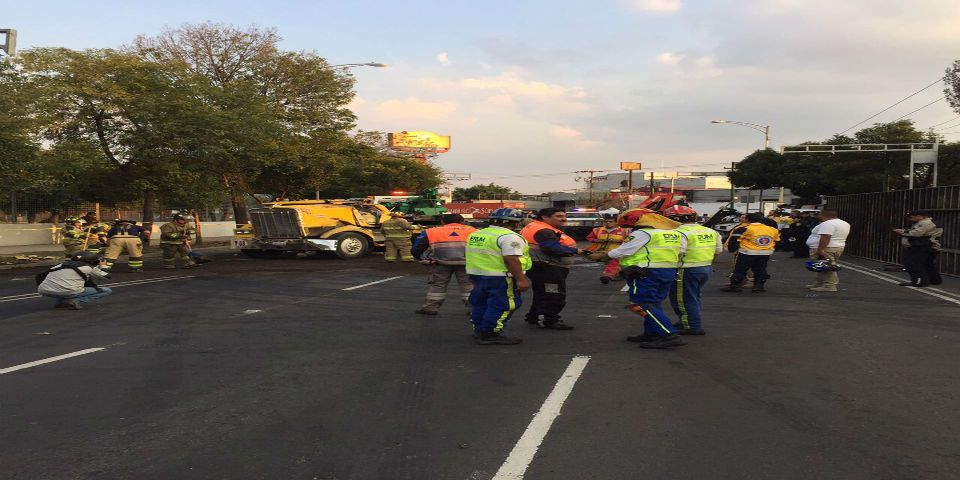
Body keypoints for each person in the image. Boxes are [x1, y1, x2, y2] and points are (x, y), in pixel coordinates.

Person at [593, 210, 686, 349]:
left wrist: (604, 255)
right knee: (654, 303)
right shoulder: (675, 234)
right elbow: (682, 251)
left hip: (645, 272)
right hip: (668, 271)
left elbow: (625, 250)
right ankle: (652, 333)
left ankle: (669, 334)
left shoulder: (642, 233)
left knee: (641, 304)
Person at [465, 212, 532, 345]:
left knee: (480, 303)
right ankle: (491, 333)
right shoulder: (509, 237)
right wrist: (521, 279)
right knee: (504, 304)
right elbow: (511, 259)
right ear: (514, 222)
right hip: (501, 277)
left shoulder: (477, 234)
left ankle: (479, 330)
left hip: (478, 275)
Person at [663, 205, 722, 335]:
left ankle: (691, 325)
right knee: (694, 296)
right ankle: (688, 320)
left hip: (685, 269)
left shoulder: (678, 233)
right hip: (705, 267)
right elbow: (717, 251)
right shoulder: (710, 231)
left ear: (675, 219)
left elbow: (679, 252)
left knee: (682, 298)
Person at [520, 208, 580, 330]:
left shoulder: (536, 226)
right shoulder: (543, 230)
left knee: (541, 292)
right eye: (558, 216)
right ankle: (549, 319)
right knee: (553, 293)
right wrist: (575, 251)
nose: (563, 218)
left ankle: (534, 316)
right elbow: (552, 249)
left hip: (541, 266)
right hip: (547, 267)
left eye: (564, 215)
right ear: (544, 217)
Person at [411, 214, 477, 315]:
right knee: (468, 285)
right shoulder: (474, 231)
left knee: (438, 285)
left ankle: (430, 308)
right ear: (463, 221)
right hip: (466, 263)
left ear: (442, 222)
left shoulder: (431, 232)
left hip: (439, 263)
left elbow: (416, 249)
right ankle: (474, 309)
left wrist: (425, 259)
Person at [722, 212, 780, 293]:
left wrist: (732, 249)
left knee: (740, 269)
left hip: (747, 252)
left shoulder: (743, 229)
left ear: (747, 219)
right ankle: (759, 286)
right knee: (761, 269)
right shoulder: (772, 229)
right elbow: (777, 240)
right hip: (765, 253)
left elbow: (734, 240)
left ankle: (735, 285)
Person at [37, 252, 113, 310]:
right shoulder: (88, 268)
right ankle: (75, 301)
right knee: (107, 290)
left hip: (43, 290)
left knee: (64, 284)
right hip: (67, 291)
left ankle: (60, 303)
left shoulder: (60, 264)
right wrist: (103, 265)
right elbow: (107, 276)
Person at [894, 210, 943, 287]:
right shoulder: (930, 222)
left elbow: (916, 233)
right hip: (930, 246)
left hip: (923, 246)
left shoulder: (925, 223)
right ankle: (934, 280)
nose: (910, 219)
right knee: (927, 264)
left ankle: (918, 281)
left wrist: (902, 232)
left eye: (912, 217)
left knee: (913, 263)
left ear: (919, 216)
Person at [805, 210, 850, 292]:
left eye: (819, 214)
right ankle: (820, 283)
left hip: (827, 248)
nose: (818, 215)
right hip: (837, 246)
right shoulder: (844, 223)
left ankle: (830, 285)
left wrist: (821, 249)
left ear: (823, 215)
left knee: (828, 267)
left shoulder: (828, 224)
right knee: (821, 266)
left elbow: (825, 237)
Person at [584, 214, 627, 284]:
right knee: (612, 264)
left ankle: (607, 276)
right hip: (600, 252)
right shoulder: (597, 230)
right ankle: (616, 274)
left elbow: (629, 240)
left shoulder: (623, 231)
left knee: (613, 263)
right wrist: (598, 240)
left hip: (615, 252)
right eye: (606, 221)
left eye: (610, 221)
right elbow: (589, 238)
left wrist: (619, 241)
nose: (608, 223)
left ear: (616, 222)